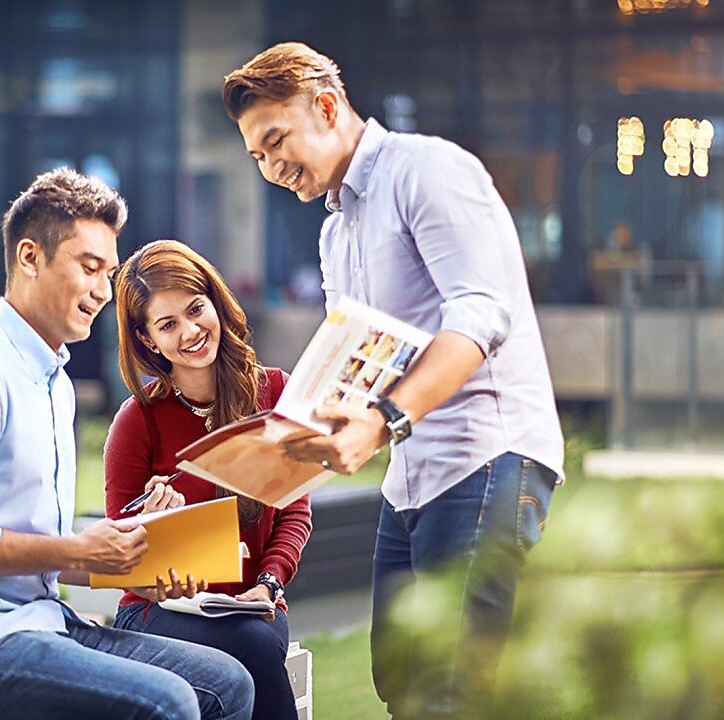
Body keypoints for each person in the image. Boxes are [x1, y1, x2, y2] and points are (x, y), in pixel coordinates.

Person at [223, 43, 565, 719]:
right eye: (257, 156)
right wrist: (281, 449)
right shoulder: (335, 234)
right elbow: (351, 363)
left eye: (276, 140)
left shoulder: (427, 171)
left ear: (325, 106)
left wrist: (381, 421)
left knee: (447, 690)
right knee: (399, 679)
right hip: (412, 478)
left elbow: (480, 313)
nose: (270, 167)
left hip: (487, 456)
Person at [0, 169, 254, 720]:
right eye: (89, 268)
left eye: (108, 273)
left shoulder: (55, 382)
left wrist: (140, 564)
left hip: (46, 622)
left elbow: (42, 557)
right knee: (171, 703)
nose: (102, 292)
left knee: (227, 683)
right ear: (29, 257)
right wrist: (79, 549)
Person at [104, 239, 313, 720]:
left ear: (215, 302)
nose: (191, 331)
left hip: (252, 604)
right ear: (148, 340)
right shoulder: (137, 421)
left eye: (196, 309)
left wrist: (268, 582)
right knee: (254, 649)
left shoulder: (275, 394)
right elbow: (117, 551)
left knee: (256, 639)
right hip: (157, 611)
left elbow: (295, 510)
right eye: (168, 324)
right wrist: (153, 526)